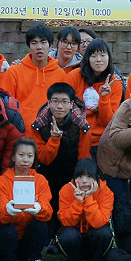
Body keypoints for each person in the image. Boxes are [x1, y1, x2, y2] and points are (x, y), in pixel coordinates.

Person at [28, 82, 92, 215]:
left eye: (64, 102)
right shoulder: (38, 125)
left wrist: (82, 177)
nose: (59, 106)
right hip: (48, 171)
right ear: (49, 102)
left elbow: (84, 156)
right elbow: (44, 159)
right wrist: (54, 139)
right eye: (55, 101)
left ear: (71, 104)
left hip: (72, 169)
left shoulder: (82, 126)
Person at [0, 138, 54, 261]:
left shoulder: (40, 180)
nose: (25, 159)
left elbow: (48, 212)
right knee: (7, 229)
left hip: (29, 238)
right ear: (13, 157)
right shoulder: (2, 181)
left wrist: (39, 208)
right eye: (21, 155)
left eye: (30, 156)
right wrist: (9, 211)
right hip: (8, 239)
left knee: (41, 224)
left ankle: (34, 260)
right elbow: (2, 217)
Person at [56, 159, 115, 261]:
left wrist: (88, 198)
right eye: (80, 176)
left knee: (104, 232)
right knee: (68, 234)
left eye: (89, 176)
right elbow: (66, 221)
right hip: (75, 239)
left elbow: (99, 222)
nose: (84, 181)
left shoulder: (105, 192)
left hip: (94, 239)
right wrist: (78, 201)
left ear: (96, 177)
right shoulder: (66, 190)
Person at [63, 38, 124, 150]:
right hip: (76, 137)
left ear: (109, 58)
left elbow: (107, 122)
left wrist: (104, 98)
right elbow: (64, 110)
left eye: (103, 55)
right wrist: (92, 111)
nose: (98, 60)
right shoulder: (74, 76)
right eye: (94, 56)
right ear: (87, 58)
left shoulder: (115, 83)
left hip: (102, 141)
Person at [4, 23, 65, 120]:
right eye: (34, 43)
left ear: (50, 46)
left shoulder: (60, 74)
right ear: (28, 46)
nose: (39, 47)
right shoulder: (14, 71)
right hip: (21, 127)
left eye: (43, 42)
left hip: (49, 127)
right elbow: (6, 104)